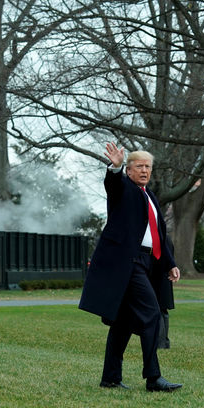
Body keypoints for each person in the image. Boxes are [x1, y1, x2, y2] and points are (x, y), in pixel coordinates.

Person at [79, 142, 182, 392]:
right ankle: (153, 378)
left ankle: (110, 378)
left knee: (123, 322)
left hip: (147, 263)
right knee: (152, 313)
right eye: (139, 166)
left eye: (148, 167)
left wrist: (170, 264)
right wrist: (114, 167)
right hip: (128, 262)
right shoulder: (123, 188)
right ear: (129, 170)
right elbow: (112, 185)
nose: (145, 171)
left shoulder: (150, 196)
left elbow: (157, 234)